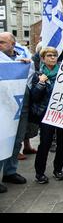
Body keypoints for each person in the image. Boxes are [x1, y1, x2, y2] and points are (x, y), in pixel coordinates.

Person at [29, 47, 63, 184]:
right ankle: (40, 173)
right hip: (46, 114)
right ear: (43, 58)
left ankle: (58, 169)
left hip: (62, 113)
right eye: (49, 55)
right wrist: (40, 83)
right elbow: (34, 96)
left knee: (62, 143)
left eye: (55, 55)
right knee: (45, 143)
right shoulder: (38, 75)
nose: (52, 58)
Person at [0, 32, 32, 194]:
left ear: (12, 44)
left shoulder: (24, 56)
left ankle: (10, 172)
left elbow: (34, 75)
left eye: (2, 42)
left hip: (21, 105)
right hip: (4, 108)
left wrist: (27, 66)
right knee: (2, 140)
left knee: (17, 140)